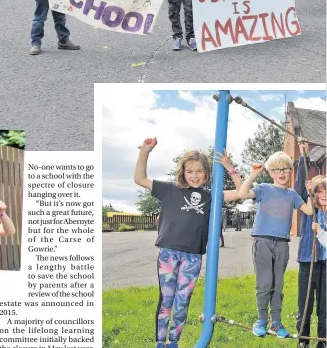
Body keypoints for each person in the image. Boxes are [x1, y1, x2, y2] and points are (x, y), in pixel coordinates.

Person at [134, 139, 249, 348]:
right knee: (167, 300)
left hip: (193, 256)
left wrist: (229, 167)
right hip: (168, 254)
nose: (194, 175)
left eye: (199, 171)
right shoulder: (170, 190)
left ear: (206, 172)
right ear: (183, 172)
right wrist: (145, 152)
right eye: (190, 171)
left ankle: (173, 342)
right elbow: (140, 178)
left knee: (182, 301)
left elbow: (242, 193)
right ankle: (160, 342)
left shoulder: (210, 195)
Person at [238, 152, 313, 339]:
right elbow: (242, 193)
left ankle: (276, 321)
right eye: (277, 169)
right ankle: (261, 320)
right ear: (271, 172)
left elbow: (309, 210)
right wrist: (253, 174)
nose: (282, 173)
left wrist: (310, 193)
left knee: (278, 285)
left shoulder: (292, 194)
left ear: (290, 172)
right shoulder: (264, 188)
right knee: (264, 284)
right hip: (262, 241)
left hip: (282, 244)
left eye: (285, 169)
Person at [295, 140, 326, 348]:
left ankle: (323, 341)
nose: (323, 196)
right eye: (320, 192)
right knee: (305, 305)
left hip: (326, 266)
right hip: (308, 262)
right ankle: (303, 340)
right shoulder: (309, 211)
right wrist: (304, 156)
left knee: (325, 308)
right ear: (314, 194)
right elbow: (298, 190)